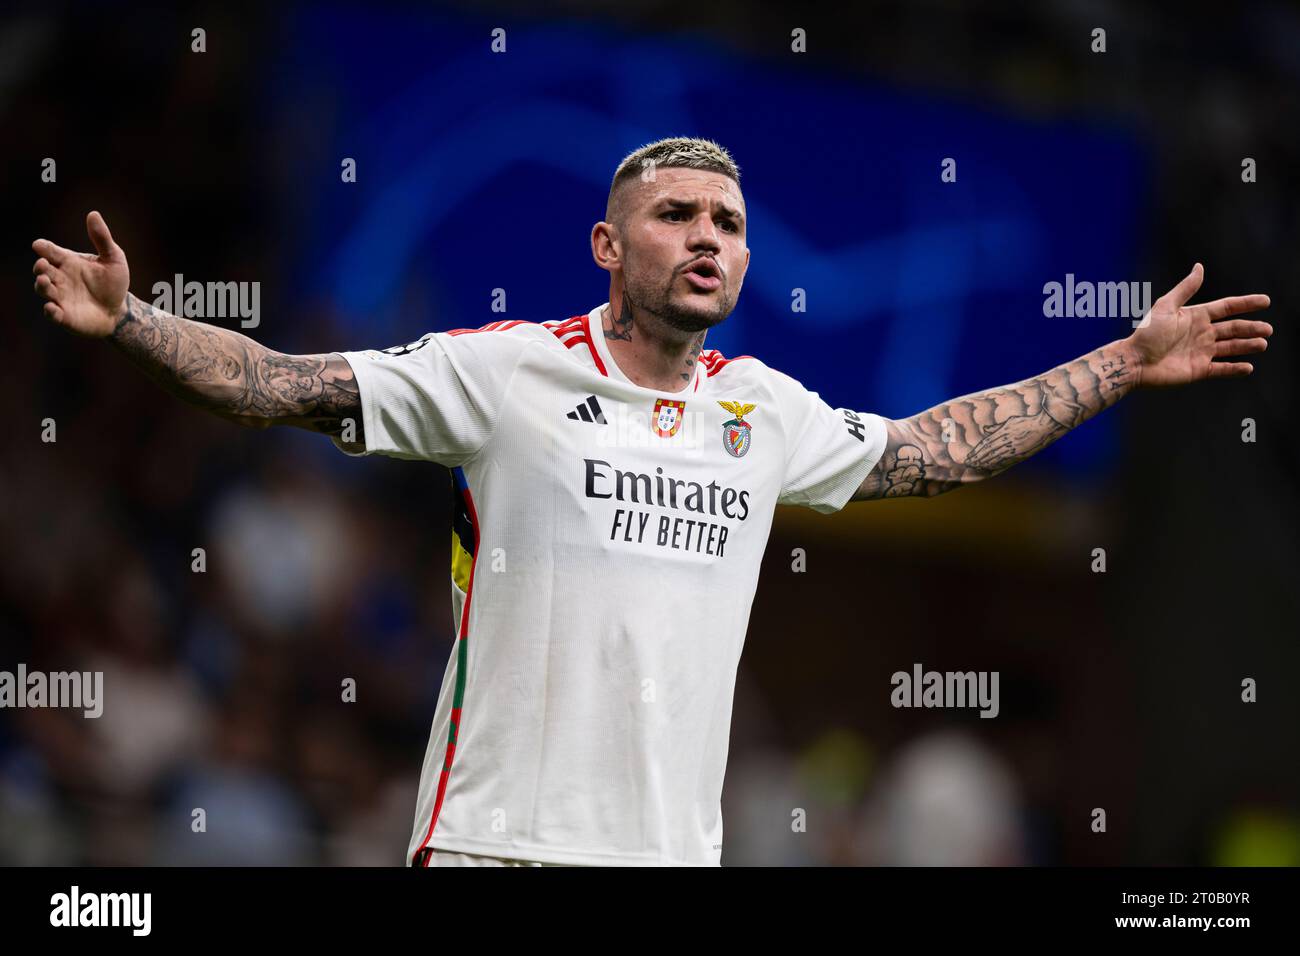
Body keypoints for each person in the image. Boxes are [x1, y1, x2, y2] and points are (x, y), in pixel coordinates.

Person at [31, 137, 1273, 866]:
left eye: (728, 222)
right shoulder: (505, 372)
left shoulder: (766, 411)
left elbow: (938, 449)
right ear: (606, 246)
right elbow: (283, 386)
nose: (708, 236)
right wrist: (131, 319)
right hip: (494, 844)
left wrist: (1120, 359)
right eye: (674, 215)